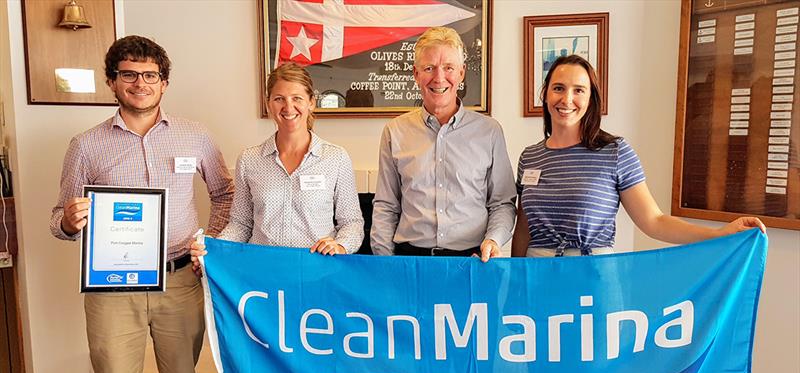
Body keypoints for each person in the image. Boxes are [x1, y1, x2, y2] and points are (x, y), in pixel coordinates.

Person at [50, 36, 234, 373]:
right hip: (112, 287)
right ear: (112, 82)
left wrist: (212, 241)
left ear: (164, 82)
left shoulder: (195, 135)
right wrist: (67, 220)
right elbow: (58, 219)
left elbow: (226, 194)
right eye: (128, 74)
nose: (140, 83)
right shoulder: (86, 145)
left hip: (181, 280)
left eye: (150, 75)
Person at [511, 54, 765, 257]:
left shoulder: (615, 152)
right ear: (545, 94)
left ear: (591, 99)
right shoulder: (530, 157)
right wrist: (514, 281)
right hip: (537, 278)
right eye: (558, 88)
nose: (567, 98)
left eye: (579, 90)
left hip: (593, 277)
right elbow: (524, 229)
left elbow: (654, 221)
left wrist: (722, 234)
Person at [190, 62, 363, 261]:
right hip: (263, 271)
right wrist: (213, 248)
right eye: (279, 99)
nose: (288, 107)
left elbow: (352, 222)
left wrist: (340, 245)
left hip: (316, 270)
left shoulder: (336, 158)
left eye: (297, 98)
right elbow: (241, 224)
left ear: (311, 102)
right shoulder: (249, 160)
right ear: (268, 104)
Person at [370, 27, 516, 261]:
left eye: (448, 68)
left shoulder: (489, 132)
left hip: (472, 260)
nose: (439, 78)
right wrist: (385, 262)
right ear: (416, 74)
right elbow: (386, 206)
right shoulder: (394, 132)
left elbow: (502, 203)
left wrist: (493, 240)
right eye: (429, 68)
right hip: (410, 260)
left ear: (461, 73)